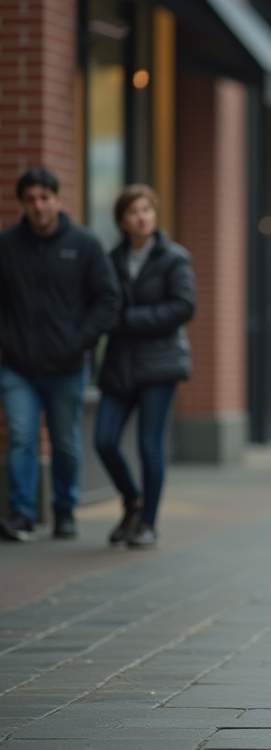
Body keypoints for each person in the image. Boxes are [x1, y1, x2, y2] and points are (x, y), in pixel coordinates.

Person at [0, 168, 120, 542]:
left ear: (58, 199)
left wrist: (79, 341)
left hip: (66, 366)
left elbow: (107, 299)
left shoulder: (84, 245)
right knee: (21, 436)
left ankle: (64, 510)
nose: (38, 206)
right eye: (31, 199)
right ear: (22, 204)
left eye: (44, 198)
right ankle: (22, 512)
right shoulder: (6, 246)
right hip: (16, 366)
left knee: (65, 440)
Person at [94, 184, 196, 549]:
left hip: (159, 363)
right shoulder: (111, 259)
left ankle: (147, 523)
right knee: (104, 440)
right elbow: (103, 305)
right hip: (120, 364)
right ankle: (132, 500)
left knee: (150, 446)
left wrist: (130, 319)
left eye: (147, 210)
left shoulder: (174, 258)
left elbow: (184, 306)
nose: (142, 217)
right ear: (122, 220)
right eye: (134, 211)